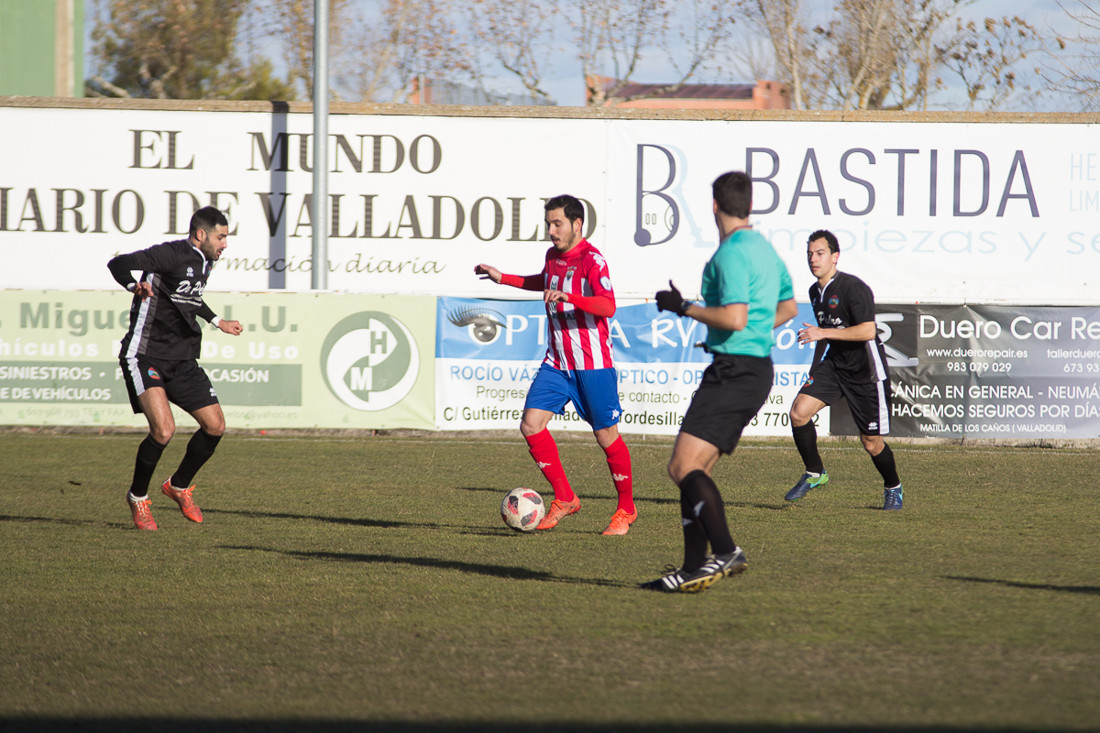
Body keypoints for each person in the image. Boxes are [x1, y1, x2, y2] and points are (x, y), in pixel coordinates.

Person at [643, 171, 797, 593]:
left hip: (734, 370)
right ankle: (692, 568)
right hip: (752, 367)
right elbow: (788, 306)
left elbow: (734, 317)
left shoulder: (730, 253)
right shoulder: (764, 249)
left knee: (681, 466)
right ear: (749, 206)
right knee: (696, 469)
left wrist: (683, 307)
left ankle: (726, 551)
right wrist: (756, 334)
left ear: (714, 205)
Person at [474, 194, 636, 536]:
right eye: (549, 223)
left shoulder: (594, 260)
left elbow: (608, 307)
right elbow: (543, 281)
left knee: (606, 437)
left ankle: (626, 509)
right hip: (557, 363)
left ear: (577, 224)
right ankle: (565, 498)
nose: (551, 230)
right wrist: (504, 277)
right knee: (531, 425)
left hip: (593, 366)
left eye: (557, 223)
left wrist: (570, 297)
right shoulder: (552, 257)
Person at [108, 206, 244, 530]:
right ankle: (138, 498)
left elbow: (191, 296)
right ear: (201, 235)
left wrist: (217, 321)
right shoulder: (170, 254)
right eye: (221, 237)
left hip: (182, 359)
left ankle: (178, 486)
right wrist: (132, 286)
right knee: (164, 430)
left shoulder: (205, 261)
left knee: (215, 426)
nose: (225, 244)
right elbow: (119, 263)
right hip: (146, 354)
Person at [785, 229, 903, 510]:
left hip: (865, 372)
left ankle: (893, 487)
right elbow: (822, 334)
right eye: (810, 254)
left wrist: (822, 332)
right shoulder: (816, 292)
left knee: (871, 443)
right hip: (835, 366)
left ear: (835, 257)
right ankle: (815, 473)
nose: (814, 259)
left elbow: (867, 331)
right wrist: (814, 370)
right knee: (799, 413)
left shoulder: (853, 288)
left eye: (820, 253)